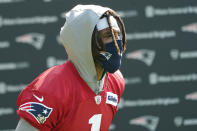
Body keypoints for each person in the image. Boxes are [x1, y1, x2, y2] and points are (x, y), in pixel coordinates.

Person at [15, 4, 127, 131]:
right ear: (85, 42)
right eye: (108, 35)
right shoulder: (50, 89)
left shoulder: (115, 80)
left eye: (118, 35)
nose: (116, 42)